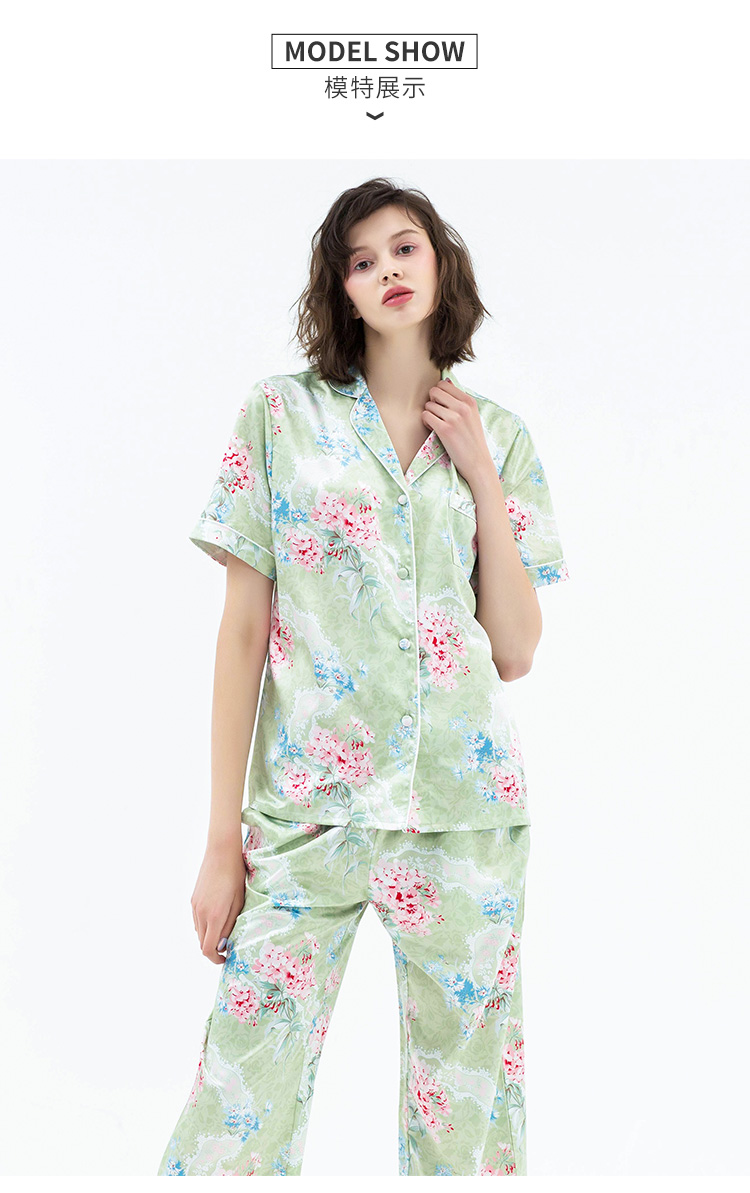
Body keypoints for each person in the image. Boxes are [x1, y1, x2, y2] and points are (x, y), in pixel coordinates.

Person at [157, 177, 570, 1177]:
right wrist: (222, 840)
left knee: (466, 1116)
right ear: (340, 289)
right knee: (239, 1098)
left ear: (441, 261)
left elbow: (516, 648)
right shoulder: (280, 416)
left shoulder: (501, 436)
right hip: (310, 814)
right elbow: (242, 633)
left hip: (463, 815)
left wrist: (477, 472)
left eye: (405, 246)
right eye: (361, 259)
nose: (387, 269)